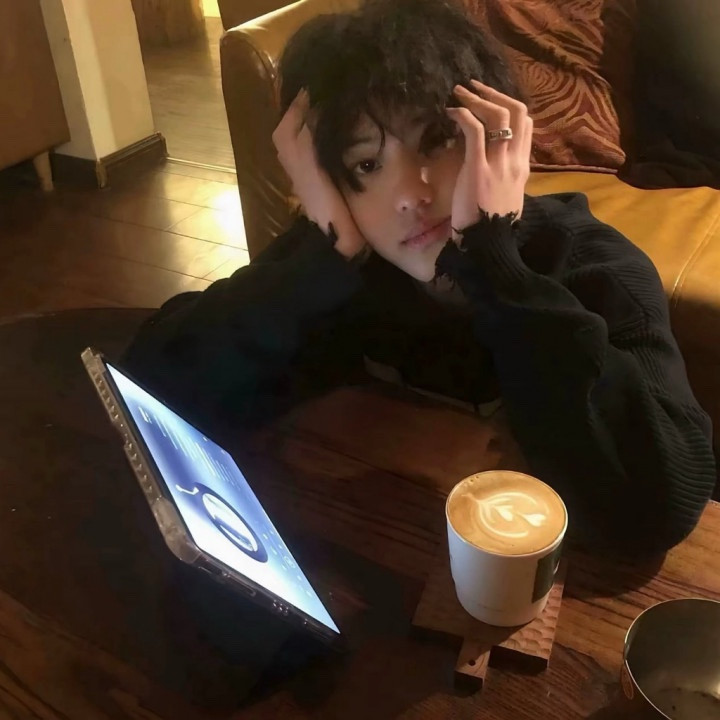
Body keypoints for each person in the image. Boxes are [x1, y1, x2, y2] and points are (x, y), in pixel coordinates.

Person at [122, 0, 716, 554]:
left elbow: (662, 502)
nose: (411, 192)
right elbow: (152, 396)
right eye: (366, 164)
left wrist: (494, 262)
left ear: (503, 143)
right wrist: (319, 258)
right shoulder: (339, 268)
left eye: (437, 140)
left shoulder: (594, 266)